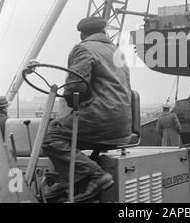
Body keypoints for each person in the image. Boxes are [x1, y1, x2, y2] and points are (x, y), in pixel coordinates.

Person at [42, 16, 132, 202]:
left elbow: (75, 88)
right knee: (63, 131)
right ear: (104, 32)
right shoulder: (117, 52)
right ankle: (71, 179)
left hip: (101, 118)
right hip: (123, 124)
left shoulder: (83, 48)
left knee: (52, 137)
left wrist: (68, 94)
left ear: (82, 35)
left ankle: (95, 175)